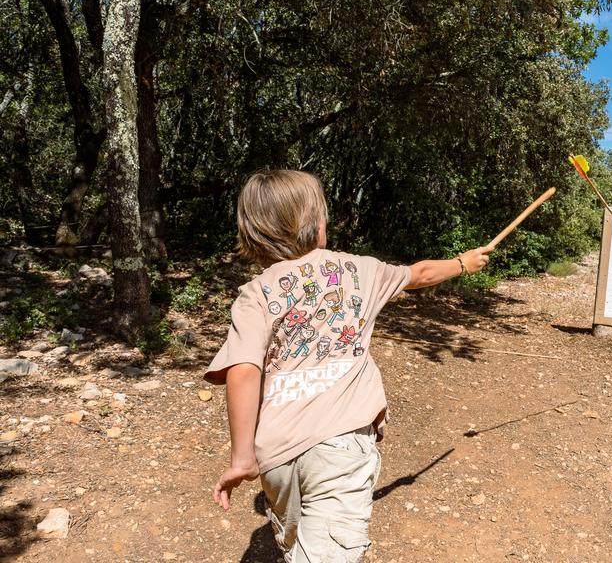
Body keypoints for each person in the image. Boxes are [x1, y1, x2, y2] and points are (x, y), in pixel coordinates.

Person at [204, 170, 492, 562]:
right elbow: (421, 274)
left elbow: (243, 369)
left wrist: (242, 458)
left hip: (274, 452)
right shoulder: (360, 270)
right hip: (342, 444)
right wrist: (463, 262)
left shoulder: (256, 293)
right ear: (317, 225)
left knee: (297, 549)